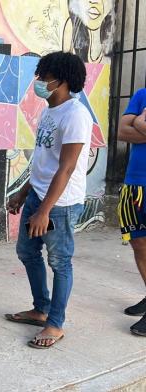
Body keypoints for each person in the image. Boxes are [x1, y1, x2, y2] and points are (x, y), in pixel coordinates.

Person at [5, 51, 92, 349]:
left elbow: (66, 168)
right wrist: (24, 192)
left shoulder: (76, 115)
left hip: (61, 204)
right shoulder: (49, 111)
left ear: (63, 81)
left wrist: (44, 211)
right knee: (27, 252)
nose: (39, 81)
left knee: (59, 261)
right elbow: (44, 161)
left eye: (44, 77)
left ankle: (55, 324)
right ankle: (41, 308)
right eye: (39, 75)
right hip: (39, 196)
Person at [116, 88, 146, 337]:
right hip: (134, 185)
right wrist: (135, 123)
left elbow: (132, 128)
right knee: (138, 243)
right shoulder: (143, 94)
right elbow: (122, 131)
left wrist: (139, 122)